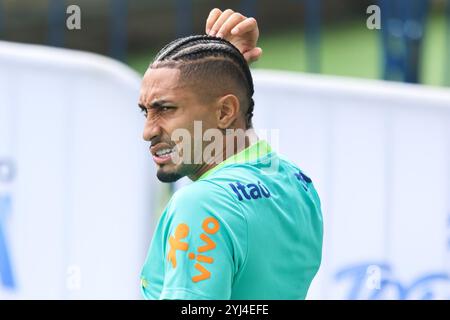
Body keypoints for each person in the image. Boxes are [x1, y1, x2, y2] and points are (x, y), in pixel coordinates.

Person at [139, 8, 323, 299]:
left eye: (165, 109)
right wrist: (225, 72)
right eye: (145, 112)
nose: (148, 131)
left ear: (225, 111)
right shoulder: (298, 183)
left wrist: (223, 76)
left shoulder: (200, 205)